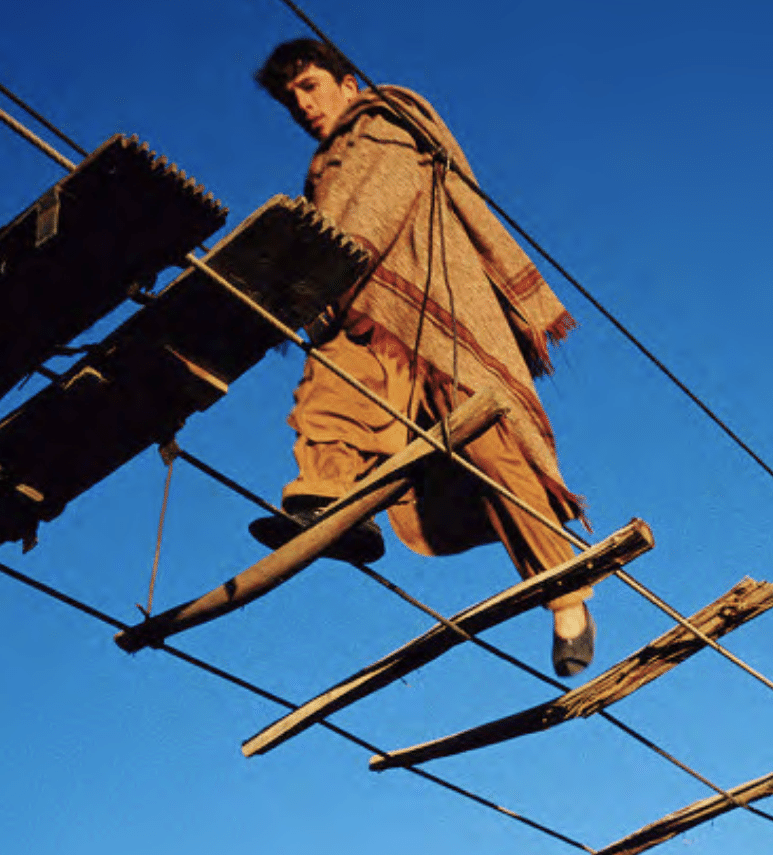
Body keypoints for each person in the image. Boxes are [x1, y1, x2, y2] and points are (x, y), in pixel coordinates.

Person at [249, 38, 595, 676]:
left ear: (348, 82)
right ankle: (332, 504)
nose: (301, 106)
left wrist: (320, 274)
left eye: (309, 87)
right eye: (289, 99)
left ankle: (568, 597)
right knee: (328, 387)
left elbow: (374, 208)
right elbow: (334, 226)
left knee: (493, 452)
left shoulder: (388, 121)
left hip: (436, 303)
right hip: (364, 307)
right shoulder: (323, 168)